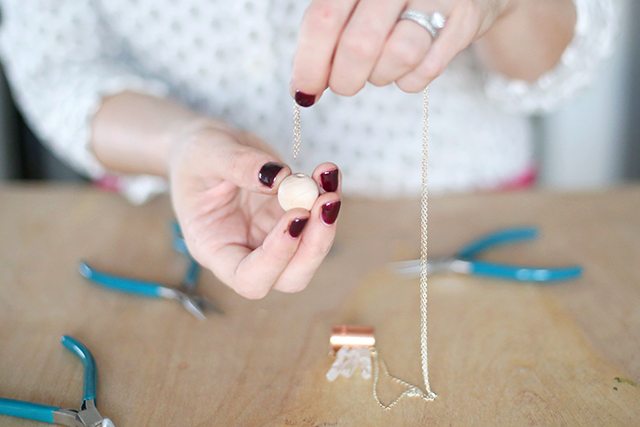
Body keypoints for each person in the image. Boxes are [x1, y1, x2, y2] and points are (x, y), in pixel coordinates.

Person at [0, 0, 613, 299]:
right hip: (186, 218)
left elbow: (565, 63)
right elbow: (58, 66)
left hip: (459, 209)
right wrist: (179, 142)